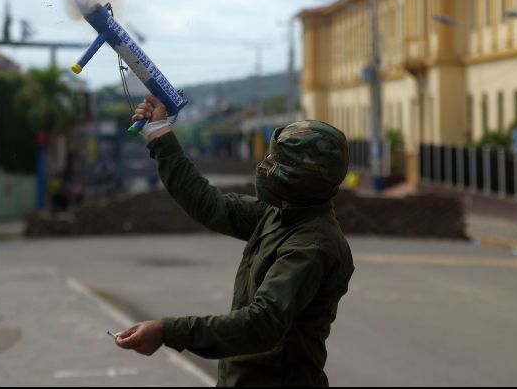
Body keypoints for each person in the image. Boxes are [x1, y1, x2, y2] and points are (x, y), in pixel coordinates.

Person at [114, 94, 355, 387]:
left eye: (277, 164)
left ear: (302, 180)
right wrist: (159, 133)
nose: (266, 167)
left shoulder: (311, 245)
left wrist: (169, 331)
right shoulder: (279, 215)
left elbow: (260, 324)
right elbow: (209, 204)